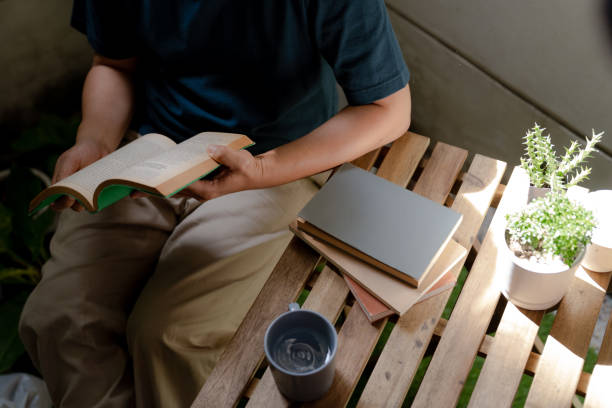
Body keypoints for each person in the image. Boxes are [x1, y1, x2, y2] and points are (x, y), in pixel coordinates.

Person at [18, 0, 411, 407]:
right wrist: (95, 139)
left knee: (171, 337)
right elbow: (114, 64)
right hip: (149, 156)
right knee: (58, 320)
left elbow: (388, 109)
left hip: (277, 162)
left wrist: (262, 170)